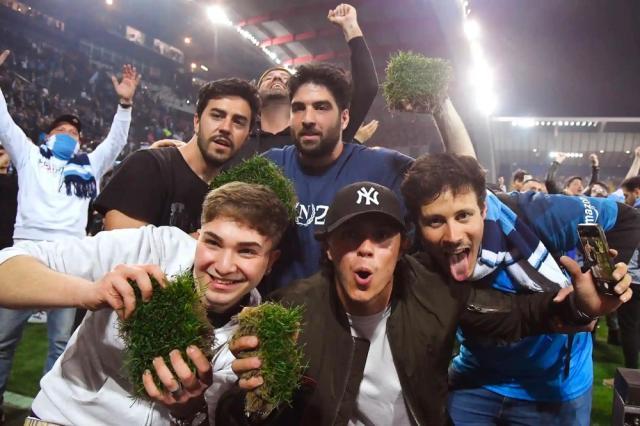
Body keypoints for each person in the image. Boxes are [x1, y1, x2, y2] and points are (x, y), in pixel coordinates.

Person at [218, 181, 632, 426]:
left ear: (402, 248)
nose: (366, 249)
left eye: (382, 237)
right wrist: (253, 402)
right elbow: (243, 412)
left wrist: (580, 308)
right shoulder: (292, 308)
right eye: (350, 236)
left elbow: (516, 315)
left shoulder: (433, 290)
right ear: (328, 249)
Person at [0, 181, 290, 425]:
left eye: (247, 251)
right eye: (213, 243)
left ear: (271, 262)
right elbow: (7, 267)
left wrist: (189, 409)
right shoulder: (150, 247)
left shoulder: (254, 336)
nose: (224, 266)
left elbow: (206, 418)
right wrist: (89, 292)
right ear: (198, 237)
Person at [400, 153, 640, 426]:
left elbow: (627, 219)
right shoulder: (417, 259)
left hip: (554, 384)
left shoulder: (541, 214)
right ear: (418, 225)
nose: (453, 237)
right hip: (477, 377)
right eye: (435, 221)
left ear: (483, 210)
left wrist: (602, 280)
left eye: (464, 215)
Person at [0, 49, 140, 415]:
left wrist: (125, 105)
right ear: (47, 135)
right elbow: (3, 123)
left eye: (74, 132)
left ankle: (47, 413)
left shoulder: (88, 165)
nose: (68, 135)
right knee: (1, 341)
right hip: (27, 255)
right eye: (61, 130)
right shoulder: (29, 156)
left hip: (70, 260)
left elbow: (115, 143)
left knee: (61, 343)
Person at [262, 62, 472, 291]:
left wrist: (442, 107)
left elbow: (465, 180)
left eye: (321, 107)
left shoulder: (383, 167)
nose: (308, 118)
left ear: (344, 118)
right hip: (278, 309)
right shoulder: (270, 166)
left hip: (360, 309)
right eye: (298, 108)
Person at [94, 78, 260, 233]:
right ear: (197, 122)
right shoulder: (147, 166)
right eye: (217, 116)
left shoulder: (231, 195)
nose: (225, 128)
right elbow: (121, 249)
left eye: (238, 122)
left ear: (247, 136)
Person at [227, 3, 378, 167]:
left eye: (284, 78)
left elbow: (367, 87)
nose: (277, 78)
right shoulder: (237, 135)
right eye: (269, 77)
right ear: (256, 94)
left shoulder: (316, 132)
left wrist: (351, 27)